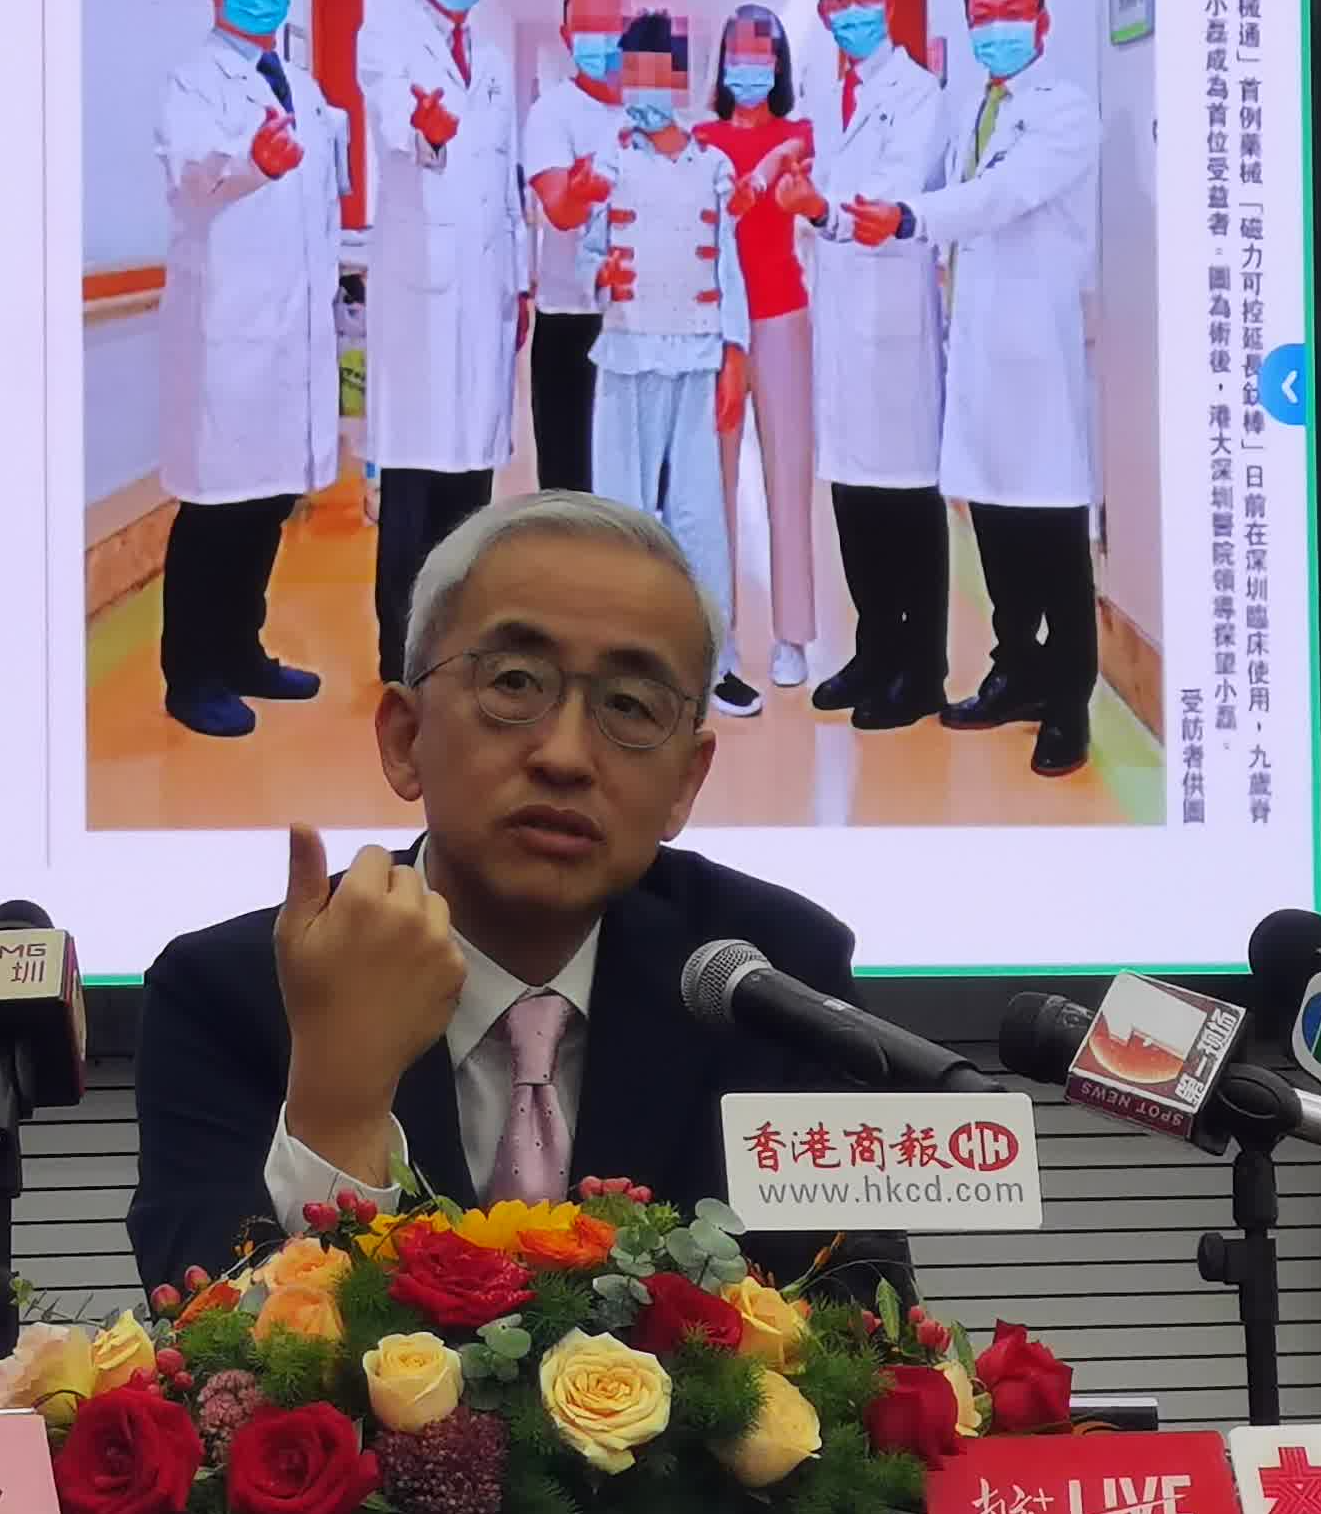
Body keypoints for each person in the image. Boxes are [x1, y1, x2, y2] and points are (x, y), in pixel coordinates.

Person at [125, 488, 882, 1291]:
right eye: (515, 683)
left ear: (685, 785)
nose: (565, 756)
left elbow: (860, 1326)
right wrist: (340, 1104)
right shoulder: (229, 995)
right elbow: (202, 1337)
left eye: (630, 705)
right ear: (405, 738)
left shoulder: (778, 980)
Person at [836, 0, 1099, 778]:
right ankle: (1016, 670)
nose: (995, 27)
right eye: (981, 15)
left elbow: (1002, 197)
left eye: (1010, 11)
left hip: (1037, 352)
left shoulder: (1065, 111)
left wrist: (908, 216)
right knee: (993, 521)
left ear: (1042, 21)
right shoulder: (974, 110)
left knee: (1051, 530)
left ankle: (1069, 702)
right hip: (979, 347)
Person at [153, 0, 349, 740]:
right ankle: (191, 673)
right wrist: (250, 164)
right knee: (217, 506)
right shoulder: (193, 81)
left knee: (269, 498)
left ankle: (241, 651)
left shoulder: (303, 87)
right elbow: (193, 173)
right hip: (228, 324)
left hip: (292, 323)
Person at [358, 0, 526, 685]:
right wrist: (426, 126)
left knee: (469, 487)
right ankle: (402, 659)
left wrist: (519, 285)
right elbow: (399, 123)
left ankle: (458, 647)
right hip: (420, 296)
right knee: (414, 486)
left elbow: (506, 187)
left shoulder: (489, 60)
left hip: (484, 297)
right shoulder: (387, 37)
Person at [580, 11, 757, 718]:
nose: (640, 89)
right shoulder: (608, 163)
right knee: (619, 513)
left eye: (652, 75)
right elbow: (585, 254)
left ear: (677, 81)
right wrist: (600, 275)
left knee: (699, 515)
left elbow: (732, 267)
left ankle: (716, 663)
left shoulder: (715, 167)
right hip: (625, 352)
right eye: (630, 76)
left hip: (697, 354)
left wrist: (735, 354)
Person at [793, 0, 948, 729]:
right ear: (824, 13)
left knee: (905, 500)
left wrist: (818, 208)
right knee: (852, 493)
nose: (851, 8)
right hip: (841, 320)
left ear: (887, 1)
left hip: (893, 321)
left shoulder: (920, 94)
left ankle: (921, 670)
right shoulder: (828, 97)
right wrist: (812, 205)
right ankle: (875, 650)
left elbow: (887, 199)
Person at [693, 4, 820, 694]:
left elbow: (786, 179)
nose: (749, 67)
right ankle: (718, 632)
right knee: (711, 483)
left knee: (788, 475)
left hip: (781, 317)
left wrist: (770, 167)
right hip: (715, 325)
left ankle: (792, 635)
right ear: (723, 63)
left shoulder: (800, 136)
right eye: (738, 55)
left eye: (761, 55)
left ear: (778, 64)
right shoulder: (701, 138)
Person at [517, 0, 628, 496]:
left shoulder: (647, 111)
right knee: (571, 481)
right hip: (572, 319)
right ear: (566, 36)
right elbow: (560, 210)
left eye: (612, 27)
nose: (602, 41)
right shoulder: (552, 113)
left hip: (642, 321)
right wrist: (582, 191)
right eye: (588, 29)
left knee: (632, 477)